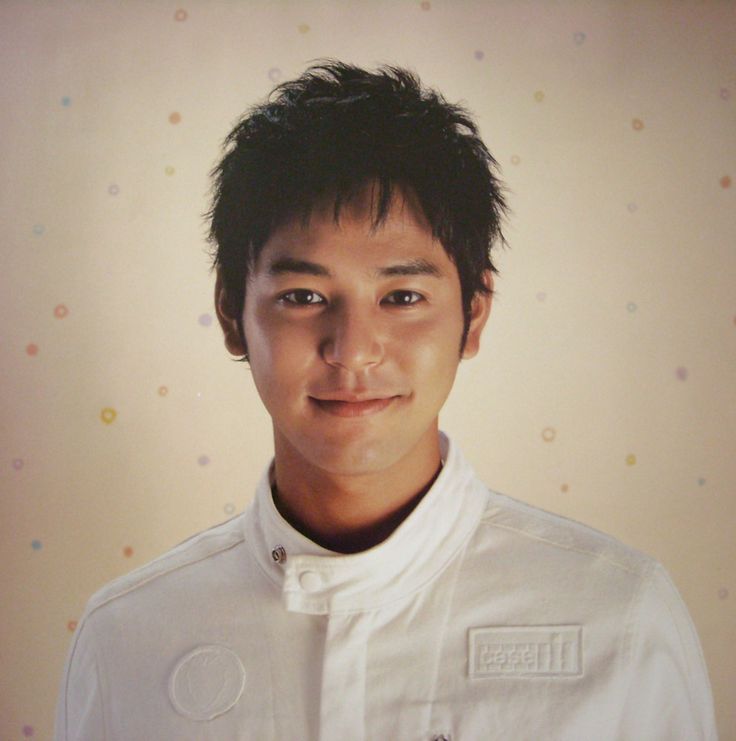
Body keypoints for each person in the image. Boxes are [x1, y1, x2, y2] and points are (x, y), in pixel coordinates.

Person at [54, 61, 717, 740]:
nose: (353, 350)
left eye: (402, 297)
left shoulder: (617, 615)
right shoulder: (127, 638)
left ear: (474, 314)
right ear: (232, 314)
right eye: (303, 296)